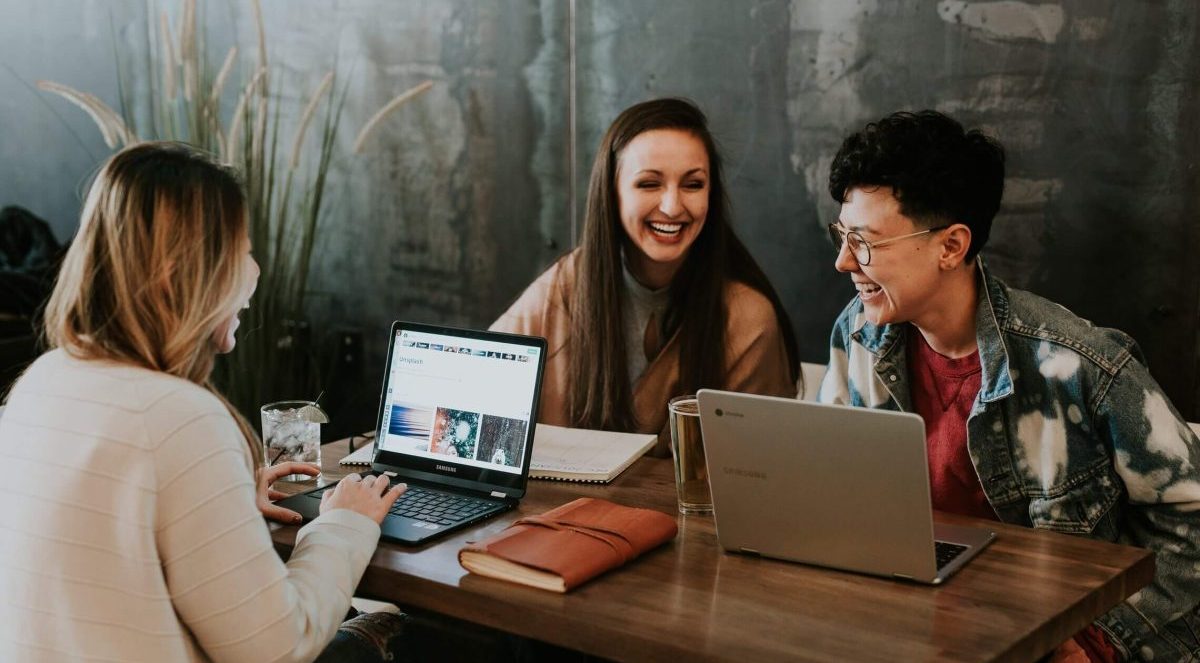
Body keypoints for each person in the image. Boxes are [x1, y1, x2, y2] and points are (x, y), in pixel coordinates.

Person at [0, 142, 408, 662]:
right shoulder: (179, 418)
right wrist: (345, 523)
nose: (255, 271)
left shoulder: (42, 381)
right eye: (240, 252)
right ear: (182, 273)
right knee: (396, 627)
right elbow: (279, 648)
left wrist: (224, 499)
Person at [817, 110, 1200, 662]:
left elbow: (1191, 520)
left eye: (865, 242)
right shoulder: (857, 334)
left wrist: (1098, 640)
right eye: (842, 235)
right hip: (907, 624)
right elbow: (829, 491)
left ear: (951, 246)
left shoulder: (1078, 365)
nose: (843, 261)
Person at [492, 98, 799, 451]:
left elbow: (758, 470)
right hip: (562, 506)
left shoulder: (748, 319)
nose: (672, 206)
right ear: (612, 193)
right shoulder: (564, 286)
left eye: (693, 184)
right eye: (649, 184)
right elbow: (475, 389)